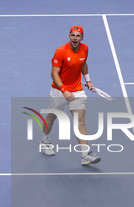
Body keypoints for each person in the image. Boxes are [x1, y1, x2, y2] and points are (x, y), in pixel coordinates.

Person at [41, 25, 101, 166]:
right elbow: (54, 73)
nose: (75, 38)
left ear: (82, 38)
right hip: (59, 90)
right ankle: (44, 140)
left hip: (77, 90)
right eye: (72, 35)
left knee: (80, 122)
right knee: (51, 117)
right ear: (69, 36)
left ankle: (85, 155)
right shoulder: (60, 52)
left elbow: (83, 64)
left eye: (78, 36)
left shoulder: (85, 49)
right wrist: (64, 89)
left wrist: (88, 81)